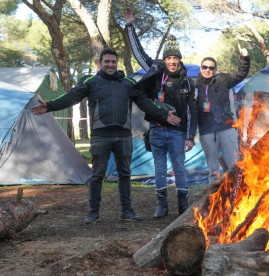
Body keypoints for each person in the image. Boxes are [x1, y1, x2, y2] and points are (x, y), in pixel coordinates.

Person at [31, 48, 181, 224]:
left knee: (125, 174)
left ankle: (127, 211)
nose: (110, 65)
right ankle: (93, 212)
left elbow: (144, 103)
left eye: (113, 62)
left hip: (124, 135)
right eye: (107, 61)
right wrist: (49, 106)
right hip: (100, 135)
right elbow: (71, 97)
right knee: (97, 174)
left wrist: (163, 115)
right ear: (100, 63)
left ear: (116, 63)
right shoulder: (91, 82)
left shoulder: (128, 83)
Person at [125, 8, 198, 218]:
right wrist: (130, 27)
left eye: (175, 58)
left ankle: (183, 205)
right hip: (156, 130)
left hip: (177, 133)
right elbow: (139, 54)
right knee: (159, 169)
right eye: (169, 58)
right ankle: (161, 205)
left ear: (179, 60)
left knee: (179, 168)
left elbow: (193, 112)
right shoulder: (156, 71)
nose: (172, 61)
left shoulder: (187, 82)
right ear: (164, 60)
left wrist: (191, 137)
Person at [197, 47, 250, 184]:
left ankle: (237, 194)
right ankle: (213, 198)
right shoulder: (194, 85)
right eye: (205, 67)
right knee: (213, 169)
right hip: (206, 130)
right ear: (200, 68)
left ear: (215, 70)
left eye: (211, 68)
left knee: (234, 165)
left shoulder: (223, 80)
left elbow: (240, 74)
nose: (208, 70)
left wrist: (244, 58)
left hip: (227, 128)